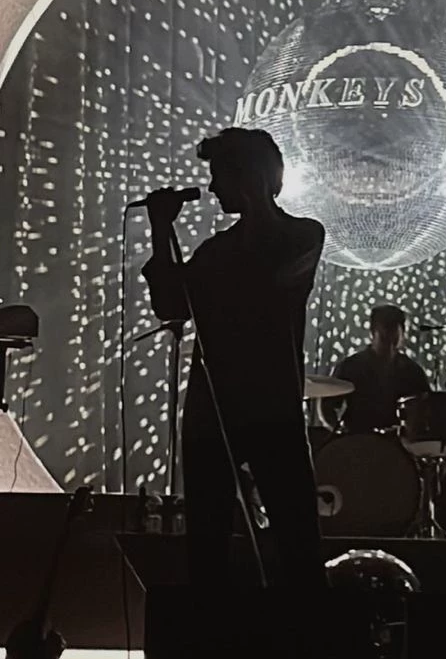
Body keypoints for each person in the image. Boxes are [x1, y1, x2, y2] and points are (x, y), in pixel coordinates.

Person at [141, 127, 326, 592]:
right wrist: (161, 232)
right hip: (213, 412)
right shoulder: (215, 252)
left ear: (249, 177)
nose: (211, 188)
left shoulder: (303, 235)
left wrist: (254, 201)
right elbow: (171, 306)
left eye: (220, 175)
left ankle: (305, 629)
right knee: (207, 548)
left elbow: (267, 276)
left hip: (273, 408)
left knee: (298, 543)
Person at [322, 304, 430, 433]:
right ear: (373, 332)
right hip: (358, 438)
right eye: (385, 333)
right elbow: (327, 406)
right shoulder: (351, 366)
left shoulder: (412, 371)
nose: (389, 339)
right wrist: (340, 433)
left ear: (402, 334)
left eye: (394, 333)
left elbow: (426, 408)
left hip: (397, 441)